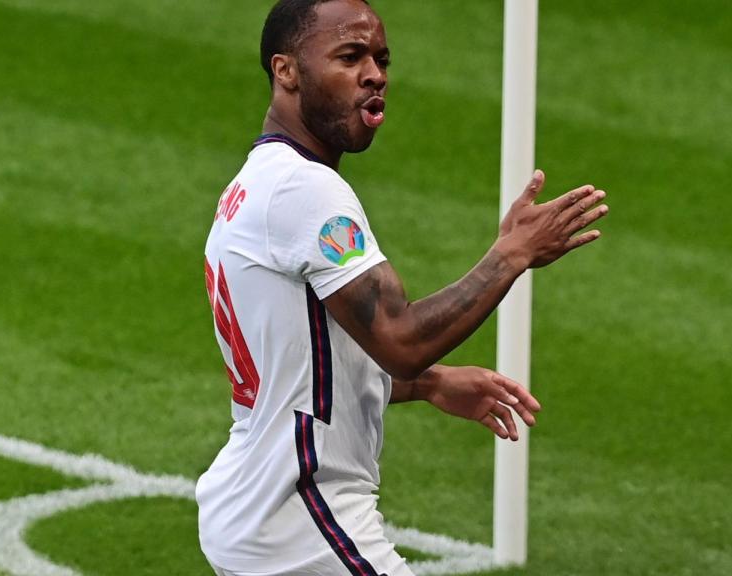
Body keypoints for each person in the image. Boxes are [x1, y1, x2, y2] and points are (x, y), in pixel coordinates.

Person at [195, 0, 609, 574]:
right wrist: (511, 254)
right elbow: (400, 340)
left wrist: (429, 384)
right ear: (285, 70)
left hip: (253, 508)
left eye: (381, 59)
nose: (375, 74)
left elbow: (305, 370)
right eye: (350, 56)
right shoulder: (304, 191)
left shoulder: (253, 185)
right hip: (300, 517)